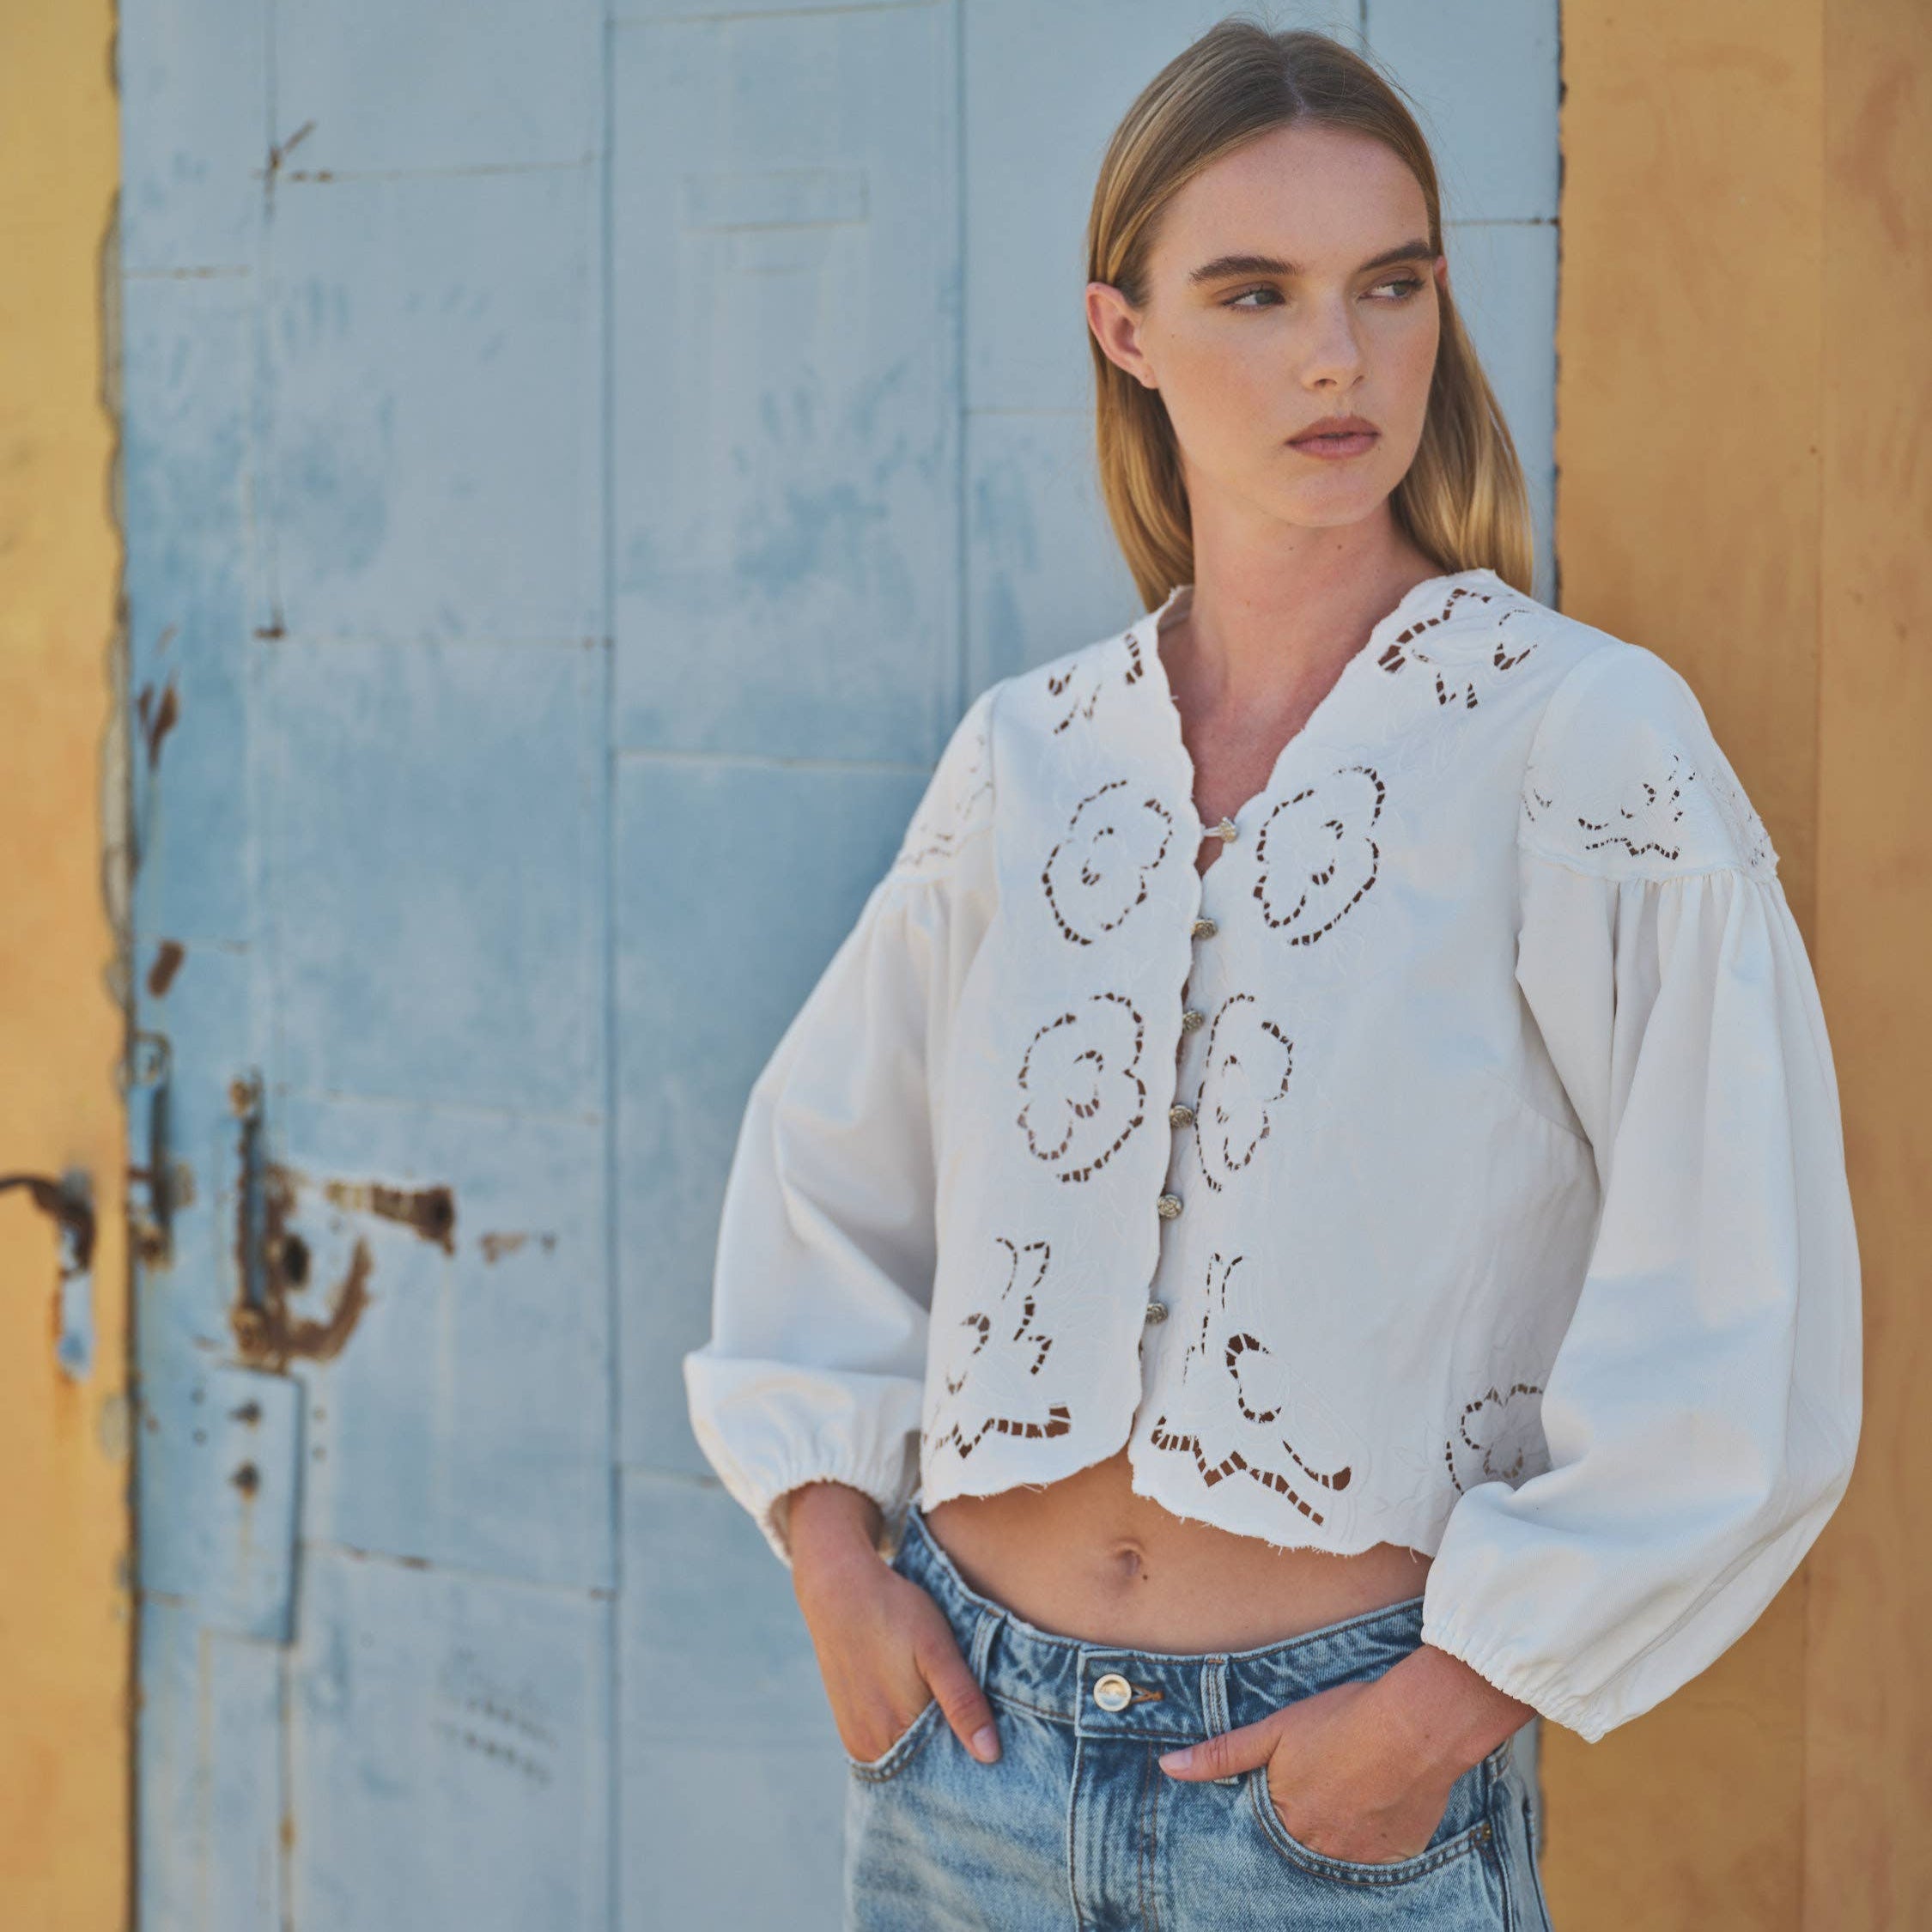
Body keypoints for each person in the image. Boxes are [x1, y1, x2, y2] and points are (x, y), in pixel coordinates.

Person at [684, 20, 1862, 1929]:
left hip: (1331, 1801)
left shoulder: (1581, 741)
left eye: (1387, 286)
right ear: (1123, 331)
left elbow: (1742, 1300)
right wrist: (835, 1555)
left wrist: (1443, 1714)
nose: (1339, 356)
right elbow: (827, 1177)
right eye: (1256, 293)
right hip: (968, 1770)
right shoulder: (1032, 755)